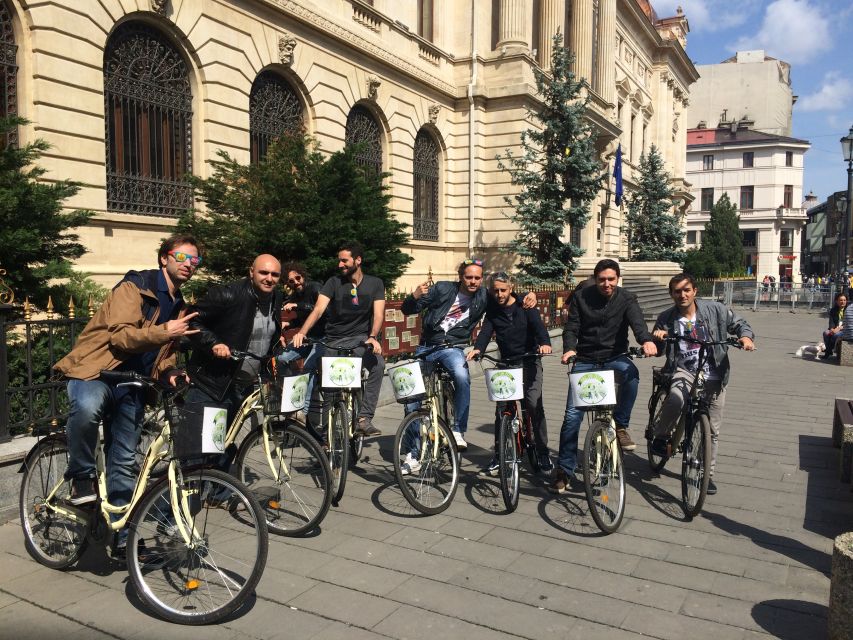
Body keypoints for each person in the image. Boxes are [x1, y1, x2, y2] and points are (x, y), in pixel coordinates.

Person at [54, 235, 201, 514]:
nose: (188, 265)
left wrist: (169, 370)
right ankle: (81, 477)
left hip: (132, 384)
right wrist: (165, 330)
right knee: (86, 409)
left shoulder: (178, 303)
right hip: (97, 372)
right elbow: (121, 337)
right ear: (164, 258)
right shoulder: (135, 286)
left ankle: (121, 541)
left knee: (123, 463)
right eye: (181, 257)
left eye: (195, 260)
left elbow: (165, 351)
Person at [400, 259, 537, 451]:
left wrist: (527, 296)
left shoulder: (484, 295)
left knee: (462, 376)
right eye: (469, 277)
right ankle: (413, 453)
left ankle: (458, 430)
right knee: (412, 397)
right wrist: (414, 296)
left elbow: (505, 296)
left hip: (452, 348)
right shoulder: (442, 288)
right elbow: (407, 310)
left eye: (477, 278)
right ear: (460, 277)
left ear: (481, 280)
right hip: (427, 346)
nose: (473, 281)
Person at [553, 259, 656, 493]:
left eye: (611, 279)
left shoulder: (627, 298)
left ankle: (620, 424)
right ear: (595, 279)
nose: (606, 284)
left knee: (632, 373)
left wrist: (646, 340)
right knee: (571, 418)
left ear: (618, 279)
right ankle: (564, 470)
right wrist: (569, 348)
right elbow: (571, 327)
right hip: (586, 359)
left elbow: (638, 324)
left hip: (615, 356)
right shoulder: (582, 298)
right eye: (602, 279)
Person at [651, 272, 754, 496]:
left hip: (714, 374)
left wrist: (746, 338)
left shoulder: (714, 309)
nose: (682, 295)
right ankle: (661, 436)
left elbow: (739, 324)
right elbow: (658, 350)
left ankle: (705, 474)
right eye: (677, 291)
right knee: (676, 399)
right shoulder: (666, 317)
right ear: (671, 294)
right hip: (684, 370)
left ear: (695, 291)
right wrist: (656, 337)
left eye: (686, 290)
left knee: (712, 431)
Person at [185, 254, 285, 440]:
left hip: (247, 386)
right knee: (204, 447)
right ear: (251, 272)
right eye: (264, 272)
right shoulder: (228, 293)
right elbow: (191, 321)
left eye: (275, 274)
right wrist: (214, 343)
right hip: (214, 384)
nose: (269, 278)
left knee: (228, 445)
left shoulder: (276, 297)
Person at [292, 242, 385, 436]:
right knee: (330, 392)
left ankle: (364, 418)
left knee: (378, 364)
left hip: (361, 339)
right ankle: (327, 438)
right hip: (334, 339)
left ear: (358, 260)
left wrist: (373, 337)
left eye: (344, 260)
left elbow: (378, 315)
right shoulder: (333, 283)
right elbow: (318, 310)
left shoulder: (375, 283)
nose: (340, 264)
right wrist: (303, 332)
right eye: (339, 260)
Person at [467, 272, 553, 474]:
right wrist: (478, 348)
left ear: (511, 288)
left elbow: (539, 328)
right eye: (495, 290)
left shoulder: (526, 306)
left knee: (532, 403)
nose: (499, 294)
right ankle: (499, 455)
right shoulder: (494, 311)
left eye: (503, 290)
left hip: (529, 360)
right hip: (506, 363)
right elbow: (486, 331)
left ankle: (542, 452)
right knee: (501, 410)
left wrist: (545, 344)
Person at [278, 263, 326, 424]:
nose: (296, 282)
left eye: (297, 278)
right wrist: (289, 325)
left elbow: (320, 310)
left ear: (303, 276)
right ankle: (294, 390)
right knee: (282, 358)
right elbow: (301, 318)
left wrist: (297, 305)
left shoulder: (315, 287)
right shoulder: (295, 296)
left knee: (308, 367)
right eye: (291, 281)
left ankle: (302, 413)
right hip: (308, 339)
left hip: (324, 339)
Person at [821, 292, 847, 360]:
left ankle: (828, 351)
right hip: (835, 329)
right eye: (841, 300)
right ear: (836, 301)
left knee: (835, 335)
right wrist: (832, 329)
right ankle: (829, 350)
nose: (843, 302)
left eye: (844, 300)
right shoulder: (833, 310)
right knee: (826, 333)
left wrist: (840, 328)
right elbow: (831, 322)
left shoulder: (849, 310)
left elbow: (850, 322)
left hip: (846, 329)